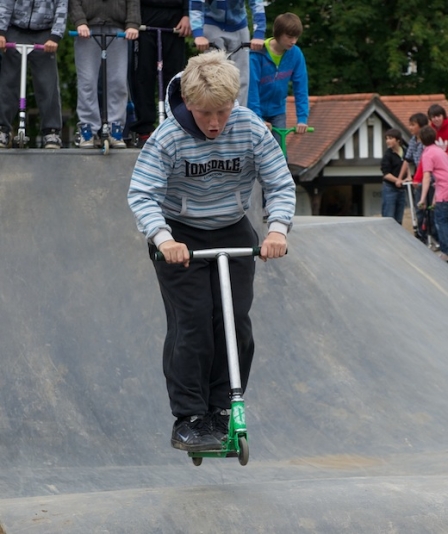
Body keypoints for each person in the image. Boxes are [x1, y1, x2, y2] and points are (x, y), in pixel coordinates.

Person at [128, 51, 296, 452]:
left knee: (235, 322)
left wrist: (276, 229)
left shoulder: (251, 128)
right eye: (205, 114)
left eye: (222, 111)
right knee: (193, 322)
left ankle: (221, 409)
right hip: (180, 236)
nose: (215, 123)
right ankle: (188, 417)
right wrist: (163, 239)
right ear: (189, 105)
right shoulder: (168, 137)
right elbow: (143, 194)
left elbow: (280, 183)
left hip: (232, 228)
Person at [69, 0, 140, 148]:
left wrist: (133, 23)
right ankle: (87, 129)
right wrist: (79, 21)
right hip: (87, 29)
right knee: (87, 81)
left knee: (118, 82)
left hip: (118, 30)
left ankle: (116, 129)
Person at [0, 0, 67, 149]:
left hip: (44, 34)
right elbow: (5, 4)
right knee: (7, 81)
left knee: (47, 83)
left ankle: (52, 131)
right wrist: (1, 32)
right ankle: (2, 128)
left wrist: (55, 36)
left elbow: (62, 8)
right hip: (15, 29)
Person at [129, 0, 190, 148]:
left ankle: (175, 126)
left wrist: (187, 15)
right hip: (144, 21)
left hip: (176, 22)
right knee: (143, 77)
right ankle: (144, 130)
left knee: (175, 80)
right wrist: (132, 20)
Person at [248, 12, 309, 146]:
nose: (293, 41)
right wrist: (258, 117)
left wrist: (302, 119)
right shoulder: (257, 54)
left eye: (296, 37)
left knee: (280, 151)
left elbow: (301, 87)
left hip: (278, 111)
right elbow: (251, 88)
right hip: (255, 110)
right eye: (289, 37)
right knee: (257, 149)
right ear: (278, 33)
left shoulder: (296, 54)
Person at [190, 0, 266, 107]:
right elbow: (196, 3)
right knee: (213, 75)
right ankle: (215, 112)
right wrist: (198, 34)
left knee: (242, 76)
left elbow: (257, 3)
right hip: (212, 22)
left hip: (239, 24)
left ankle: (239, 113)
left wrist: (259, 34)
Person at [396, 113, 429, 241]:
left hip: (427, 177)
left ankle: (430, 235)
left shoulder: (427, 142)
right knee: (419, 209)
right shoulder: (412, 140)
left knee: (429, 209)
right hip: (418, 178)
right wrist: (400, 178)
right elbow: (407, 159)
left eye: (413, 125)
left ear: (421, 126)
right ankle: (421, 234)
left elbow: (425, 163)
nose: (410, 127)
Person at [417, 125, 448, 262]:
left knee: (441, 222)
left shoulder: (427, 153)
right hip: (443, 190)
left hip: (444, 193)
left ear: (421, 139)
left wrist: (423, 198)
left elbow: (427, 177)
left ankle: (446, 252)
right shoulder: (441, 151)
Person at [380, 128, 406, 224]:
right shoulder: (388, 155)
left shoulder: (405, 151)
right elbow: (386, 174)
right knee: (389, 217)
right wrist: (397, 180)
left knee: (399, 218)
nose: (388, 141)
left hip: (401, 189)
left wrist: (407, 178)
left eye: (391, 138)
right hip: (390, 188)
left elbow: (407, 165)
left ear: (398, 140)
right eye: (386, 139)